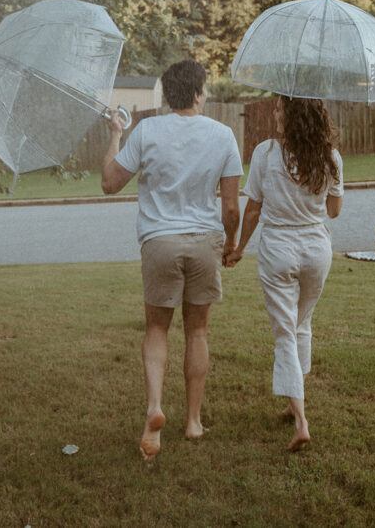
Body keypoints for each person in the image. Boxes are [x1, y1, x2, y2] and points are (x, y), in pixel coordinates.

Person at [101, 59, 242, 461]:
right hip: (203, 243)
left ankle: (154, 408)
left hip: (159, 242)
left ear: (166, 94)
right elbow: (231, 208)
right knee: (197, 332)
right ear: (198, 93)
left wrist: (115, 135)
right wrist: (231, 244)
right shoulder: (223, 135)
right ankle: (194, 422)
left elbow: (110, 182)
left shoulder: (146, 131)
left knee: (156, 329)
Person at [225, 95, 343, 451]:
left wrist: (239, 247)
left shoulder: (265, 154)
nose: (275, 112)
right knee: (301, 325)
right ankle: (294, 406)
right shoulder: (331, 157)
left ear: (292, 115)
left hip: (278, 250)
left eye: (279, 108)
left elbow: (253, 211)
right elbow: (334, 210)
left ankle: (302, 421)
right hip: (316, 250)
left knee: (285, 333)